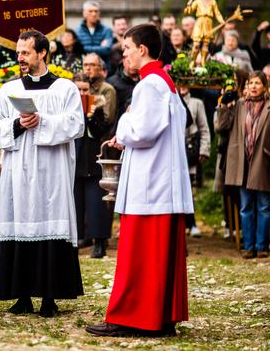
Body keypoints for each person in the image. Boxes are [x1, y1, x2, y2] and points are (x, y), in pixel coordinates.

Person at [86, 23, 193, 337]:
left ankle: (131, 316)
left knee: (139, 257)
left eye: (127, 49)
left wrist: (124, 121)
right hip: (162, 182)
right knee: (159, 258)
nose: (124, 55)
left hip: (150, 185)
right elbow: (175, 122)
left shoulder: (149, 85)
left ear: (142, 50)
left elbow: (143, 132)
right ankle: (159, 317)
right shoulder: (165, 83)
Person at [0, 30, 85, 317]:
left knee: (51, 225)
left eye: (26, 52)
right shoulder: (9, 90)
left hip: (53, 170)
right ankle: (22, 295)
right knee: (21, 224)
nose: (20, 58)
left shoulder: (65, 89)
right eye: (18, 53)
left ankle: (50, 297)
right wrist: (18, 125)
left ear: (42, 52)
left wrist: (42, 121)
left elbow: (76, 124)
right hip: (19, 170)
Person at [216, 71, 270, 259]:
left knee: (264, 206)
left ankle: (262, 246)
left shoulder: (269, 106)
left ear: (264, 86)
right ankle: (249, 247)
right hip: (242, 162)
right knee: (246, 206)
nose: (254, 86)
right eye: (250, 83)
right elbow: (221, 127)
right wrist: (223, 105)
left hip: (263, 161)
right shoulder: (238, 105)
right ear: (246, 86)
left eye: (257, 83)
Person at [73, 73, 114, 258]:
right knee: (76, 203)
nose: (81, 93)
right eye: (78, 89)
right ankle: (79, 237)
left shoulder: (97, 105)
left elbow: (100, 130)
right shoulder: (68, 107)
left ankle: (99, 242)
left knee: (96, 203)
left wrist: (90, 115)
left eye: (84, 89)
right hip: (75, 160)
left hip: (93, 159)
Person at [180, 86, 210, 237]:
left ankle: (191, 223)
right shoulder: (169, 99)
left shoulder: (197, 103)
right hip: (174, 150)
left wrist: (204, 150)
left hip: (190, 150)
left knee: (188, 189)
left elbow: (204, 128)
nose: (181, 87)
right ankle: (179, 225)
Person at [83, 53, 117, 131]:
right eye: (85, 65)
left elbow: (108, 120)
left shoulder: (107, 89)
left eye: (92, 65)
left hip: (99, 136)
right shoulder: (80, 86)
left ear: (100, 69)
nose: (88, 68)